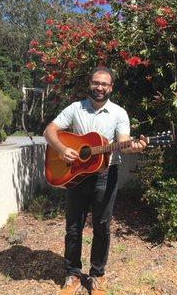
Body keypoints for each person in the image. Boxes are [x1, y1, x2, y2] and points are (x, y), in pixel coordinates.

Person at [43, 66, 147, 295]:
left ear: (111, 87)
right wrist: (60, 149)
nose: (99, 87)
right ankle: (73, 274)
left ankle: (97, 275)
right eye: (96, 83)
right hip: (76, 175)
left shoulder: (119, 113)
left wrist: (135, 147)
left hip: (105, 175)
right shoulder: (75, 109)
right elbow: (49, 130)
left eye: (104, 84)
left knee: (102, 227)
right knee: (73, 227)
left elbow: (123, 143)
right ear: (90, 84)